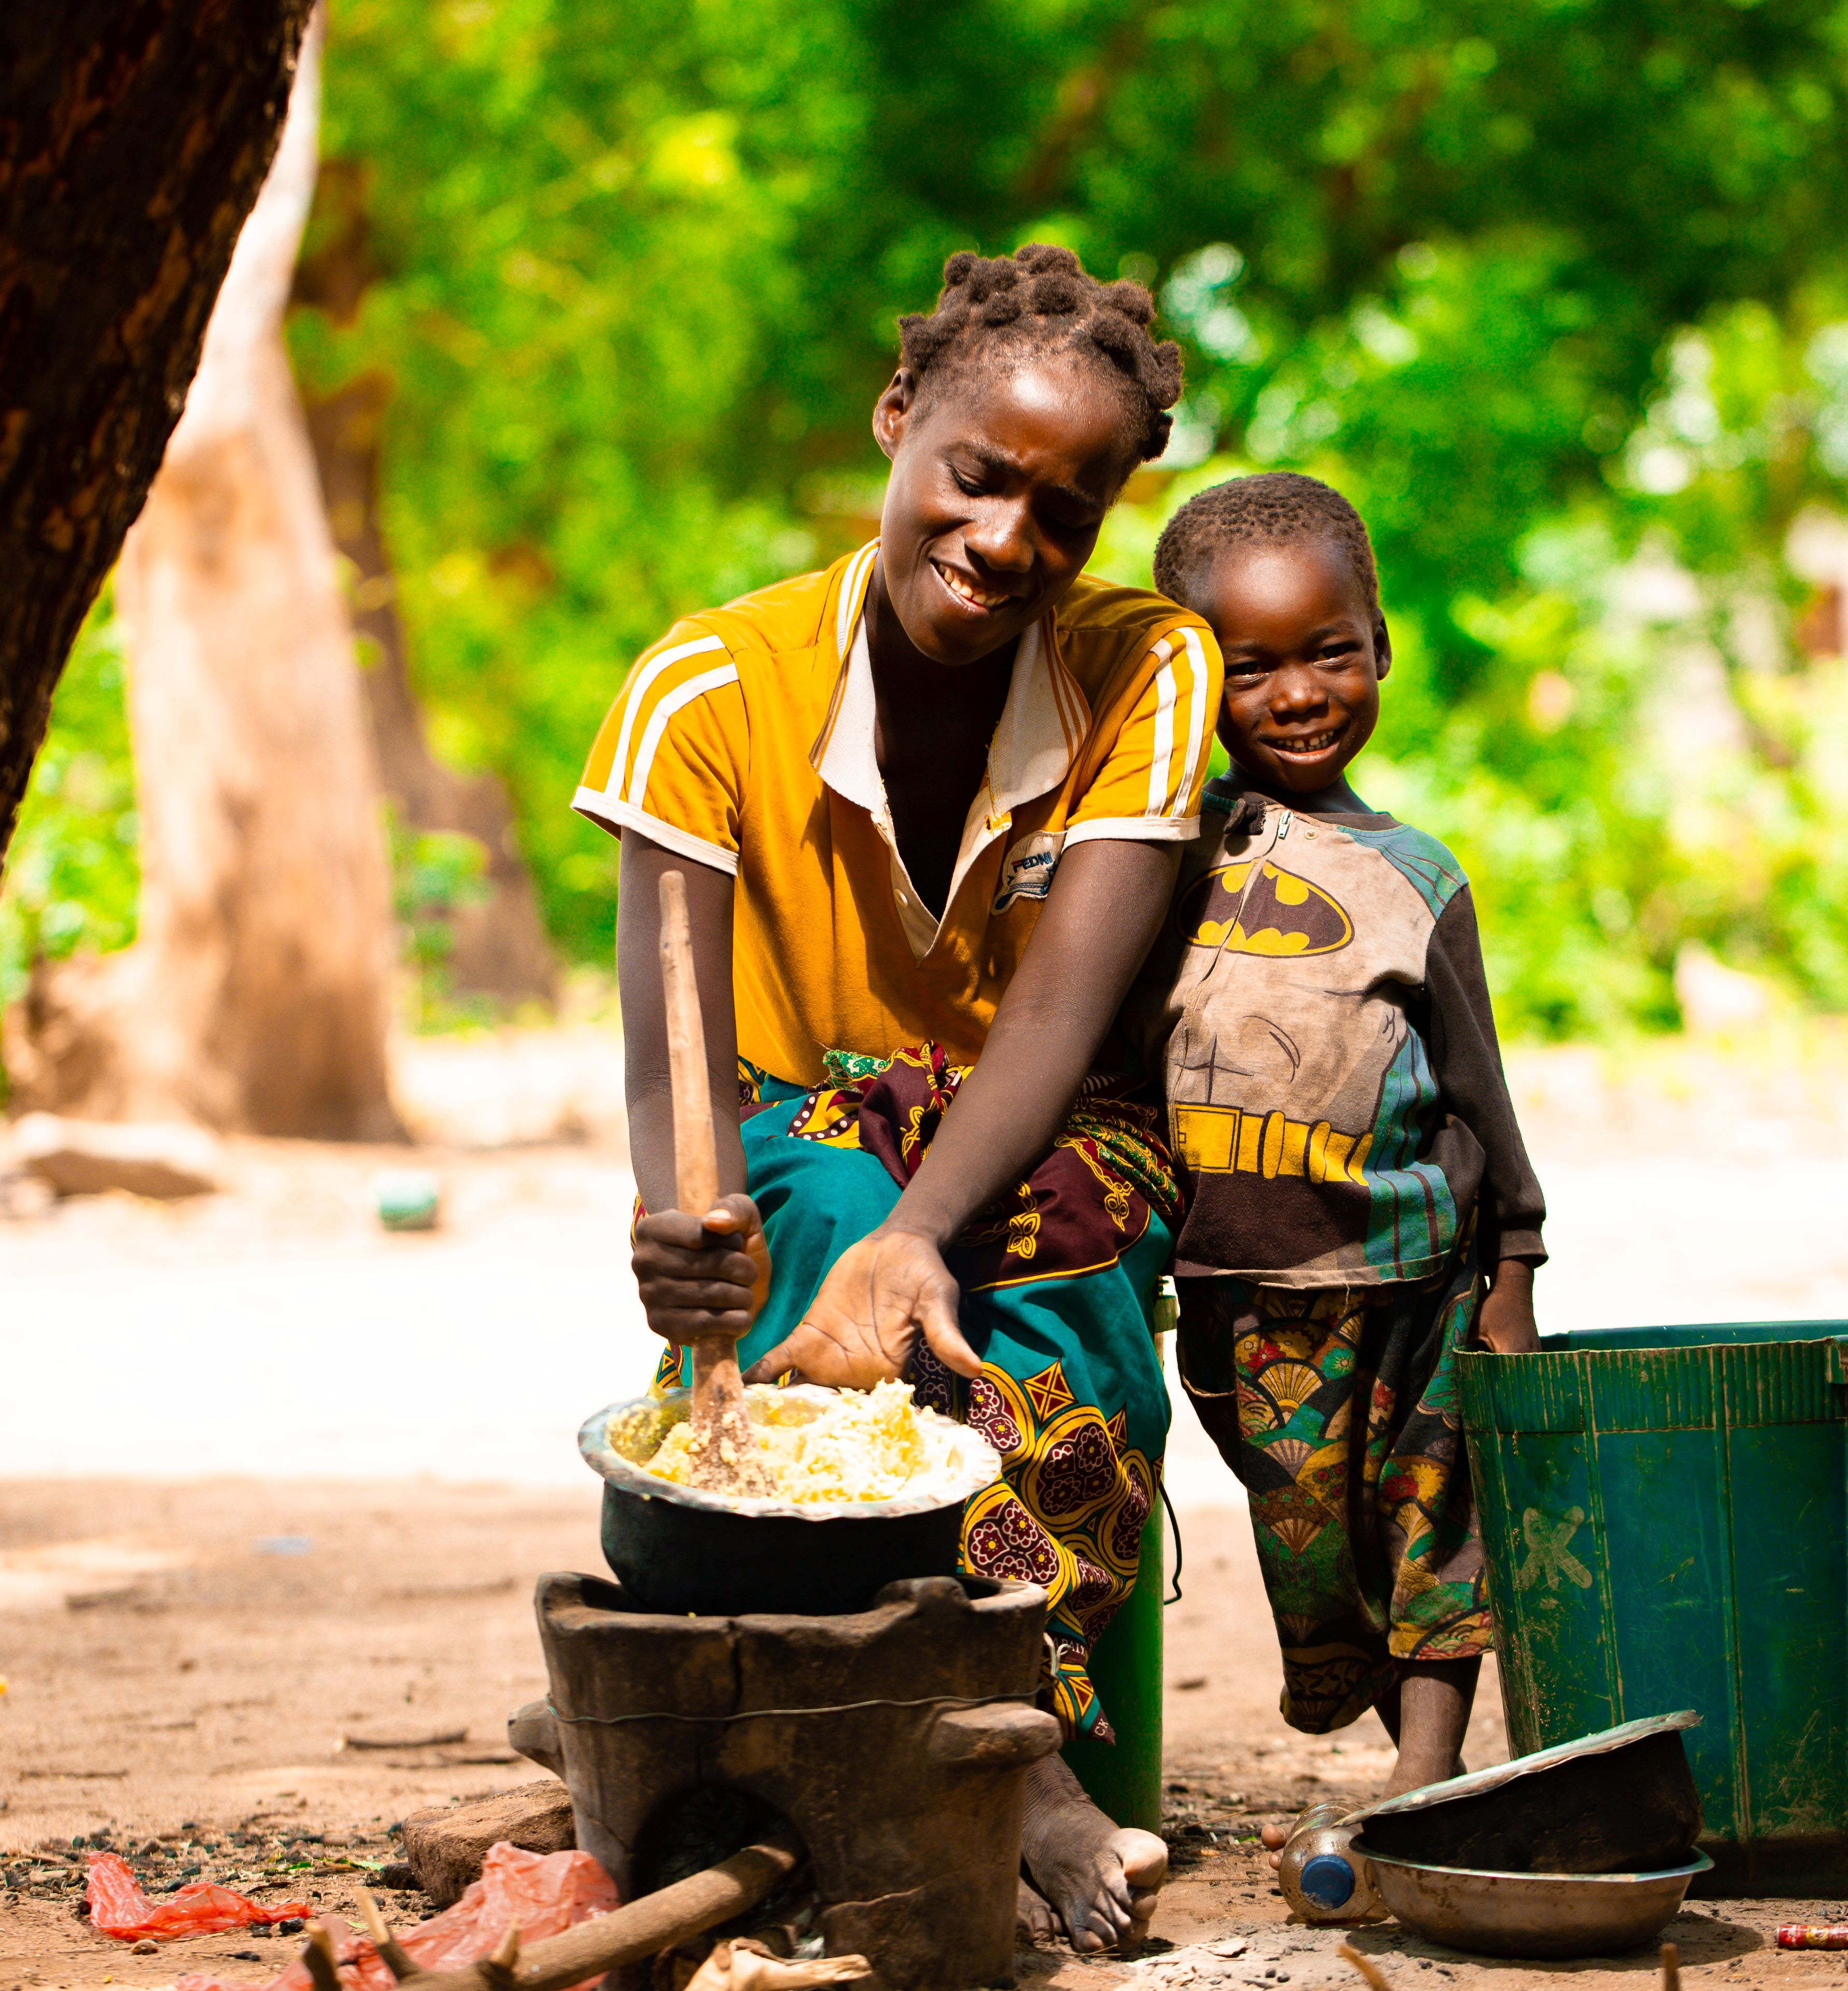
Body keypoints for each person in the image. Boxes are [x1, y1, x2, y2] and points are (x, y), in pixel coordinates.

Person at [571, 245, 1219, 1953]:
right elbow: (677, 1060)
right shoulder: (706, 690)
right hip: (794, 1122)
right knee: (825, 1215)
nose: (1007, 540)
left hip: (1030, 1120)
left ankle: (1022, 1733)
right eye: (976, 476)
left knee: (1060, 1249)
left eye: (1065, 515)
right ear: (895, 425)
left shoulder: (1148, 668)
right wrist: (686, 1227)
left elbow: (1064, 1019)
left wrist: (928, 1234)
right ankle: (1013, 1784)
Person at [1127, 472, 1549, 1821]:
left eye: (1331, 653)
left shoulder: (1416, 876)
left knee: (1439, 1534)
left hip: (1419, 1274)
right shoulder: (1150, 863)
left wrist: (1517, 1269)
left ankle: (1428, 1775)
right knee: (1314, 1565)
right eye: (1250, 669)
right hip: (1250, 1304)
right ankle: (1420, 1763)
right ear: (1192, 678)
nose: (1299, 693)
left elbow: (1480, 1083)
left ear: (1380, 647)